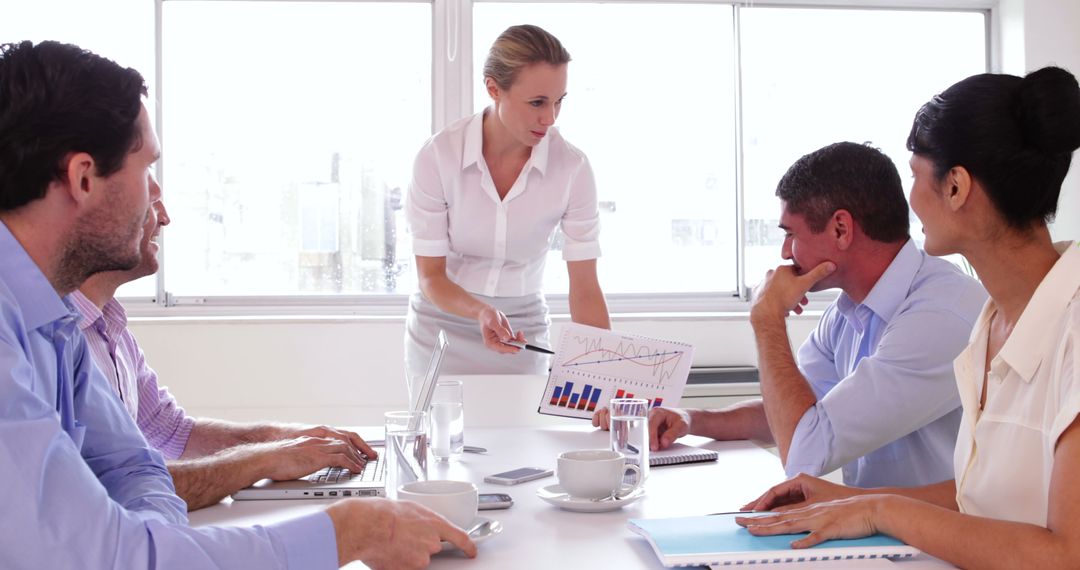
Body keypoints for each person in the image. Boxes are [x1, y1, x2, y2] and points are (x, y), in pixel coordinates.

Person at [0, 40, 473, 568]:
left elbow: (136, 471)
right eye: (145, 169)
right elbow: (114, 554)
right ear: (83, 177)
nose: (155, 199)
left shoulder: (54, 319)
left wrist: (157, 548)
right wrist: (348, 531)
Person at [735, 67, 1080, 568]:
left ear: (957, 187)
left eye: (916, 175)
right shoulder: (992, 321)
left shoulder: (1069, 329)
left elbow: (1068, 553)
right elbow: (980, 498)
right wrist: (849, 503)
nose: (909, 198)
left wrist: (881, 508)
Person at [595, 142, 987, 488]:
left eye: (791, 234)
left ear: (840, 229)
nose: (785, 253)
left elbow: (806, 451)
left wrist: (767, 321)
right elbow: (792, 414)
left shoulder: (938, 317)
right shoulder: (848, 313)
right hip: (880, 531)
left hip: (937, 549)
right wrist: (691, 418)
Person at [71, 191, 380, 511]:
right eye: (148, 199)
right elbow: (118, 487)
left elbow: (172, 431)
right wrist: (263, 460)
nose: (164, 218)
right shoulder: (54, 341)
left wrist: (283, 438)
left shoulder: (109, 323)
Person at [404, 24, 610, 385]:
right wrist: (481, 311)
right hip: (442, 328)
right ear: (493, 89)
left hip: (521, 335)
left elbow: (585, 287)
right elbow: (430, 277)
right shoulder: (438, 156)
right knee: (441, 440)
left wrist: (606, 377)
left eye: (559, 100)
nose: (550, 118)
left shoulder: (572, 168)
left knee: (525, 439)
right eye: (537, 103)